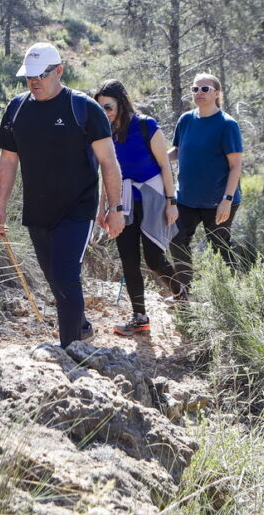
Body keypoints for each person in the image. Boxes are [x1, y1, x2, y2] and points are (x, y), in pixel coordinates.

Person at [0, 43, 125, 348]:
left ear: (59, 71)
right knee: (53, 276)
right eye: (29, 76)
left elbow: (108, 161)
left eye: (41, 74)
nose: (34, 81)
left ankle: (71, 349)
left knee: (66, 274)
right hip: (38, 209)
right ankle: (81, 326)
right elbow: (8, 160)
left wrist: (115, 208)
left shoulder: (84, 108)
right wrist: (0, 206)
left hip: (78, 208)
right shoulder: (17, 108)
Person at [93, 80, 178, 337]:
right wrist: (102, 208)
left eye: (108, 107)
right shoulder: (105, 133)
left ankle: (181, 294)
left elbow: (165, 167)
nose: (105, 113)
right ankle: (140, 317)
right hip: (123, 202)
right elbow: (106, 173)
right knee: (128, 261)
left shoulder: (146, 126)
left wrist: (171, 202)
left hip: (153, 199)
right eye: (100, 109)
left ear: (121, 103)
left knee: (154, 258)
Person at [167, 74, 244, 295]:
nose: (199, 93)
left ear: (217, 93)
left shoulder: (227, 125)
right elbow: (177, 151)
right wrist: (158, 158)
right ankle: (184, 293)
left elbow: (236, 166)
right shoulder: (186, 120)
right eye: (195, 89)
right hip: (186, 199)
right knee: (177, 240)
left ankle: (231, 296)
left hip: (219, 201)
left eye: (205, 89)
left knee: (220, 247)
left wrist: (227, 200)